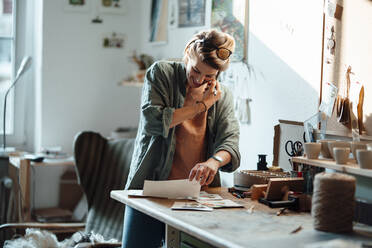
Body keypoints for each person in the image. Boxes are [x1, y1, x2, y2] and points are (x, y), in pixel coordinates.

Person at [121, 29, 241, 248]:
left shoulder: (222, 96)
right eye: (195, 69)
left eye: (209, 76)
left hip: (197, 198)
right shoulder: (161, 73)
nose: (198, 79)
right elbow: (153, 121)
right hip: (149, 190)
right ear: (187, 53)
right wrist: (202, 106)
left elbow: (230, 141)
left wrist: (213, 162)